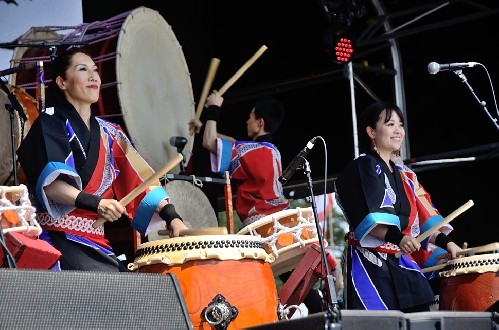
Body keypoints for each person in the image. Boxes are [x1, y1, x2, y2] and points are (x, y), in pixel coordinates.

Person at [16, 47, 188, 272]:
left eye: (95, 70)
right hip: (57, 240)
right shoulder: (49, 121)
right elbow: (51, 185)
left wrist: (172, 217)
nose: (93, 76)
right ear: (61, 82)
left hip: (96, 243)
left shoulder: (111, 133)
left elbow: (142, 181)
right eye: (82, 69)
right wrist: (97, 203)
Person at [334, 101, 462, 312]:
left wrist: (446, 243)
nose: (398, 130)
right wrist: (399, 238)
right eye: (390, 124)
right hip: (371, 262)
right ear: (371, 131)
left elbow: (420, 220)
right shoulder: (362, 165)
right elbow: (369, 218)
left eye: (400, 125)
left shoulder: (405, 176)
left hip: (401, 259)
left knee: (420, 313)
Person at [189, 90, 290, 227]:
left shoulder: (252, 151)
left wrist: (214, 108)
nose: (247, 121)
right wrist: (202, 128)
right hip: (278, 217)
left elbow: (209, 142)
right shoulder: (270, 150)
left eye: (251, 117)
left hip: (265, 222)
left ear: (260, 122)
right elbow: (234, 143)